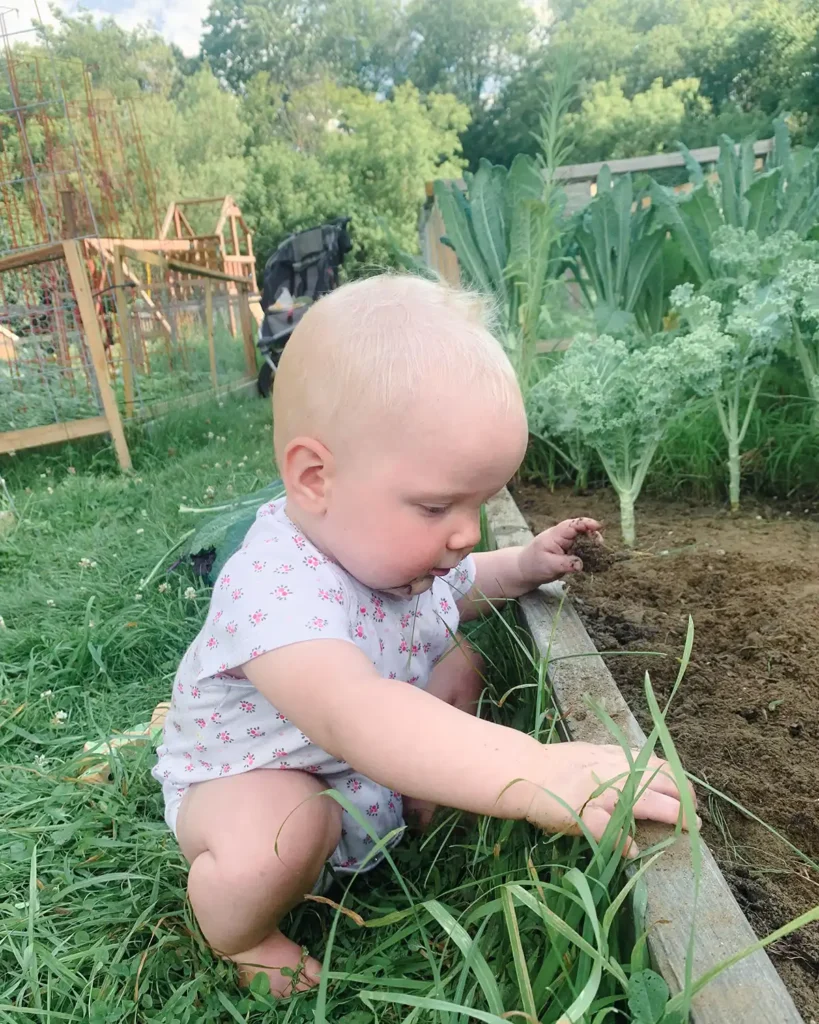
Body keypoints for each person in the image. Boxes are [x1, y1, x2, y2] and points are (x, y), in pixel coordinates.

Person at [152, 274, 693, 996]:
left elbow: (463, 587)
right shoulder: (271, 592)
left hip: (362, 757)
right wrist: (539, 770)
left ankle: (420, 788)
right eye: (438, 505)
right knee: (281, 837)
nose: (465, 533)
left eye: (480, 503)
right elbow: (357, 715)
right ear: (314, 477)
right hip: (258, 773)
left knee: (463, 658)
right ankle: (239, 931)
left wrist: (524, 562)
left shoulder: (388, 547)